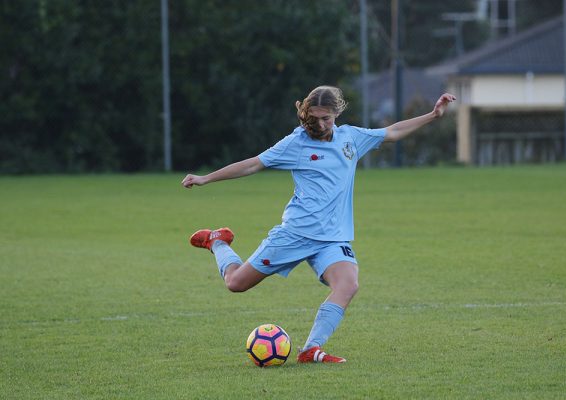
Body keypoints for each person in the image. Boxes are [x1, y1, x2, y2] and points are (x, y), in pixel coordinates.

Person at [182, 86, 456, 363]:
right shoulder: (296, 143)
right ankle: (217, 241)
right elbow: (253, 164)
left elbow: (393, 132)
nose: (320, 124)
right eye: (314, 118)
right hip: (295, 234)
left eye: (326, 118)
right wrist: (206, 178)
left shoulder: (351, 138)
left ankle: (310, 349)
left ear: (337, 113)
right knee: (235, 283)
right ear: (306, 115)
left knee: (348, 285)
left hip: (332, 239)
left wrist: (433, 115)